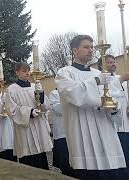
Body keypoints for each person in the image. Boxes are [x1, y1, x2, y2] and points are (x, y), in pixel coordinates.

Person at [55, 35, 126, 179]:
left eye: (92, 47)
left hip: (105, 131)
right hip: (82, 134)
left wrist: (113, 107)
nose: (91, 50)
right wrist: (97, 82)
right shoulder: (64, 73)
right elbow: (73, 92)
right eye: (86, 47)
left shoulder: (99, 73)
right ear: (75, 50)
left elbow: (113, 98)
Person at [5, 62, 52, 169]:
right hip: (25, 128)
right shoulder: (12, 89)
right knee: (28, 161)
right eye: (24, 71)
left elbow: (46, 106)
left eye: (28, 71)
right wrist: (29, 112)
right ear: (17, 72)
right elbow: (11, 110)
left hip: (39, 126)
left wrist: (41, 96)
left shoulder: (35, 86)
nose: (27, 73)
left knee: (41, 158)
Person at [103, 54, 129, 167]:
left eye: (114, 62)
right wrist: (121, 79)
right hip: (114, 126)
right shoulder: (102, 80)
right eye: (109, 62)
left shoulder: (122, 78)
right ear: (102, 65)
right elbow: (108, 94)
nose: (113, 64)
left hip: (127, 123)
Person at [49, 88, 72, 175]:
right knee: (65, 163)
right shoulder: (54, 93)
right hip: (62, 134)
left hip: (73, 132)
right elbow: (58, 110)